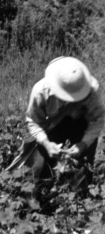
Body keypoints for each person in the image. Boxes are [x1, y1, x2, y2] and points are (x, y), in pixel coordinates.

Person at [21, 57, 104, 205]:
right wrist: (46, 143)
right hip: (51, 125)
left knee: (83, 167)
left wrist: (83, 144)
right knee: (38, 166)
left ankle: (79, 202)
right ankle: (34, 200)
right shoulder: (41, 91)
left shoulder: (91, 91)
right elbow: (33, 121)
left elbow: (98, 120)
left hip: (81, 124)